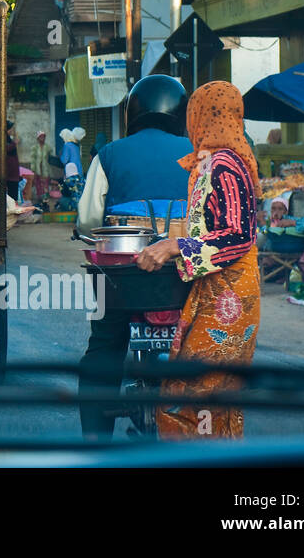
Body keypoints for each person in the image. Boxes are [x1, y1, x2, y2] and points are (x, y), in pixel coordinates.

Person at [134, 81, 261, 440]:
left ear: (200, 116)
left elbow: (237, 235)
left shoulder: (224, 164)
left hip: (231, 297)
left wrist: (177, 247)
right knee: (213, 395)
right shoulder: (214, 161)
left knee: (190, 395)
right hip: (215, 288)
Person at [75, 74, 192, 442]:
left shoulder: (109, 154)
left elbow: (89, 220)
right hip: (184, 276)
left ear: (134, 112)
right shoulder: (199, 152)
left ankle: (95, 441)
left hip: (123, 278)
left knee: (104, 346)